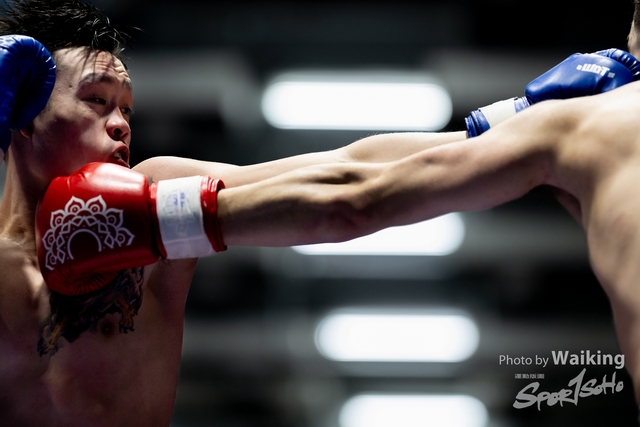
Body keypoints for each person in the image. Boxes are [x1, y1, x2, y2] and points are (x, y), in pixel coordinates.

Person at [1, 1, 637, 426]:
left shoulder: (158, 187)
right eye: (96, 101)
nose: (120, 123)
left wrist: (516, 121)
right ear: (23, 114)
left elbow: (344, 170)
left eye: (127, 108)